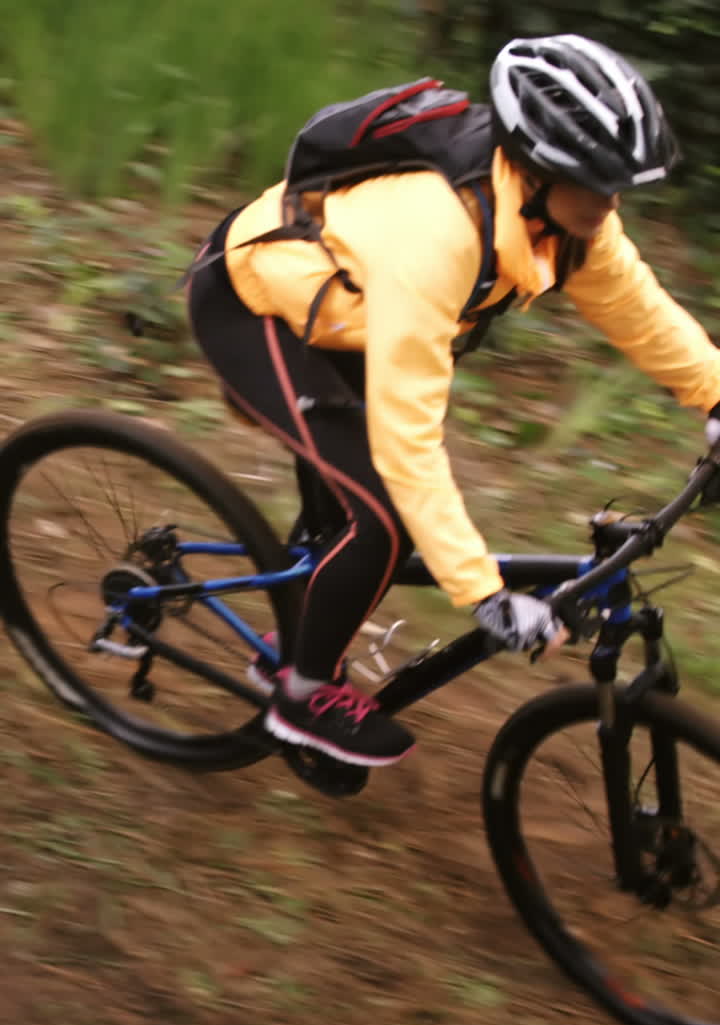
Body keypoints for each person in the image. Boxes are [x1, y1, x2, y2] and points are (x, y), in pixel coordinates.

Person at [188, 33, 720, 770]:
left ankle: (299, 631)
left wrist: (716, 397)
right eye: (596, 183)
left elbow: (643, 313)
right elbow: (408, 439)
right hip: (256, 306)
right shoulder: (437, 232)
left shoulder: (566, 224)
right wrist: (484, 593)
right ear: (534, 169)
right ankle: (301, 690)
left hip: (350, 314)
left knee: (357, 516)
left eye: (618, 184)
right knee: (383, 520)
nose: (611, 201)